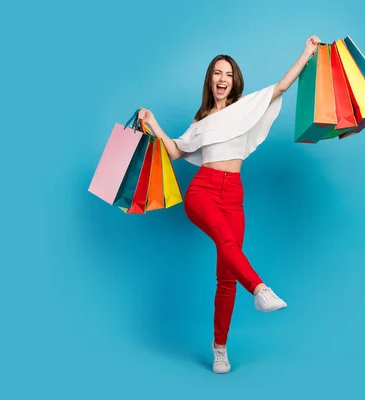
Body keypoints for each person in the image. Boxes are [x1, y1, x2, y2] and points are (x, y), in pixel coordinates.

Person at [137, 35, 321, 374]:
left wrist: (307, 53)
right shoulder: (201, 122)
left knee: (226, 276)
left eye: (228, 74)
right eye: (217, 73)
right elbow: (176, 151)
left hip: (233, 193)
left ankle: (219, 348)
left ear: (234, 81)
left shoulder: (245, 108)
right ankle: (261, 289)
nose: (222, 79)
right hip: (203, 191)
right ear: (210, 80)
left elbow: (280, 87)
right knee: (226, 242)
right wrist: (154, 125)